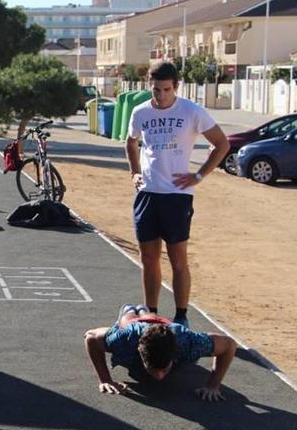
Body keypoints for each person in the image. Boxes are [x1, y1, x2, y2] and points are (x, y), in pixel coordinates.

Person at [125, 62, 229, 325]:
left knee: (177, 259)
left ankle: (181, 315)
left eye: (166, 90)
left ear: (176, 87)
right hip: (148, 193)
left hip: (177, 196)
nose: (160, 96)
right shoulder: (140, 112)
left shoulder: (192, 112)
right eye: (156, 90)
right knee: (148, 258)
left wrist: (199, 175)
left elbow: (222, 144)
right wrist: (135, 172)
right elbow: (131, 142)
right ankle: (150, 312)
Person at [84, 303, 236, 402]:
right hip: (134, 327)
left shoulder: (188, 342)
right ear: (139, 352)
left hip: (167, 326)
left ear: (175, 353)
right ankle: (131, 309)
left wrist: (213, 386)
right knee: (128, 319)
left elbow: (229, 344)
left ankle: (144, 310)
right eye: (152, 368)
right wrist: (105, 380)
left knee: (157, 319)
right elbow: (90, 336)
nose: (160, 376)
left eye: (165, 368)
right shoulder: (124, 340)